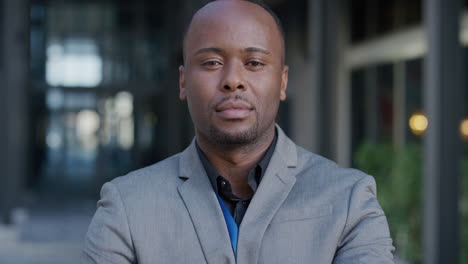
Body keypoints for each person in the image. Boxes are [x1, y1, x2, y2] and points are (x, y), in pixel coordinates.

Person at [82, 0, 395, 263]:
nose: (233, 80)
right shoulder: (126, 205)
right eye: (212, 62)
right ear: (182, 82)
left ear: (283, 82)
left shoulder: (349, 198)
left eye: (255, 62)